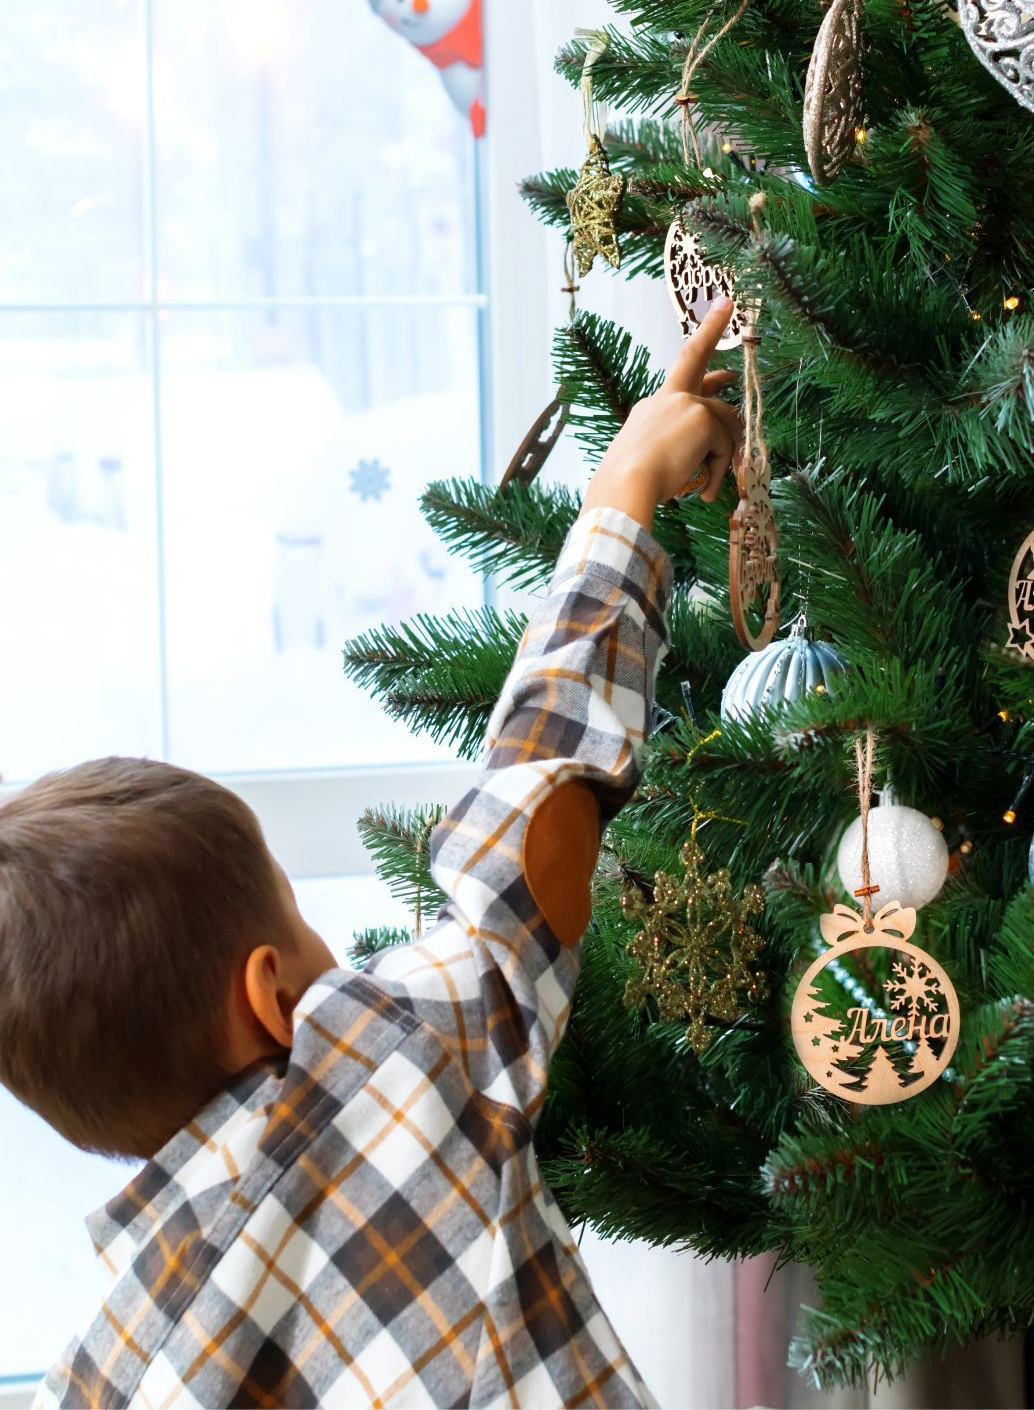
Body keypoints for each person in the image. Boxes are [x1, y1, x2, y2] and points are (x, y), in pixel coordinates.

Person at [7, 299, 742, 1409]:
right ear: (271, 994)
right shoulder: (384, 1066)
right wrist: (625, 488)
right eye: (303, 924)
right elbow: (532, 802)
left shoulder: (107, 1373)